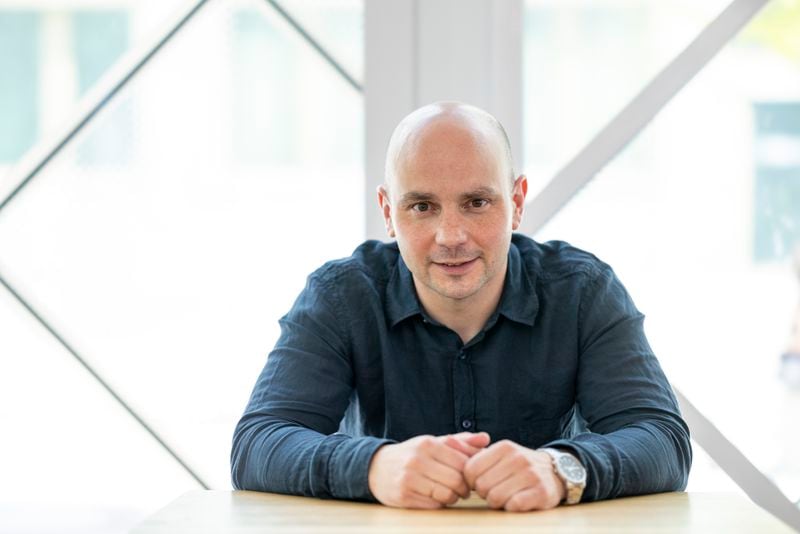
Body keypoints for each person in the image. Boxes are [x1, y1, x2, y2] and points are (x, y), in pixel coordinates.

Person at [231, 102, 692, 512]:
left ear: (515, 202)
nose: (451, 236)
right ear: (388, 212)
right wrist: (374, 466)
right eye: (422, 206)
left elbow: (661, 440)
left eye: (476, 202)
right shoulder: (341, 295)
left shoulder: (582, 291)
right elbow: (257, 444)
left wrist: (559, 468)